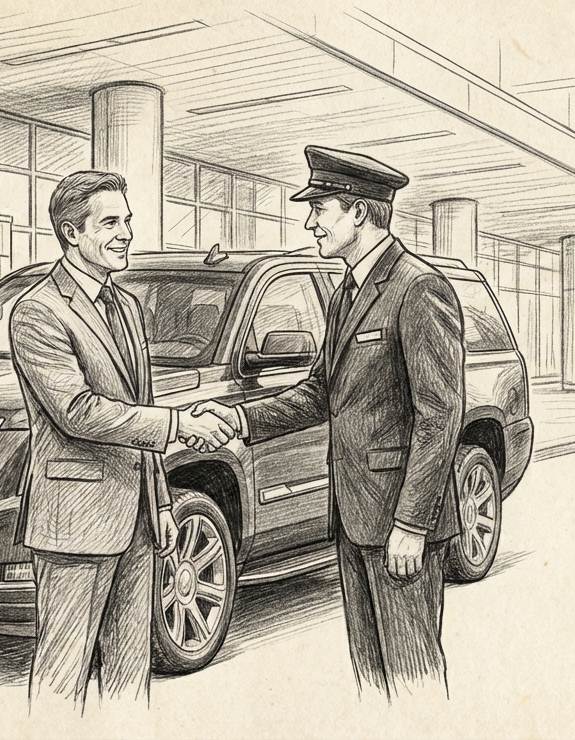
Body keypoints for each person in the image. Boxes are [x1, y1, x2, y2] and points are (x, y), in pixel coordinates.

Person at [193, 146, 465, 700]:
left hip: (398, 523)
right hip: (354, 515)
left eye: (321, 208)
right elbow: (321, 394)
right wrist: (236, 418)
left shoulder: (418, 288)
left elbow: (440, 416)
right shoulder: (345, 292)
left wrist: (411, 524)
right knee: (371, 674)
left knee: (413, 676)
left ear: (359, 213)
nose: (310, 221)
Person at [9, 170, 235, 713]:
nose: (126, 233)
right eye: (111, 222)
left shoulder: (128, 307)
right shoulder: (37, 311)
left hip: (137, 518)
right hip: (76, 521)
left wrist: (159, 503)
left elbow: (133, 408)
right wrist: (179, 425)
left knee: (130, 674)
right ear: (71, 233)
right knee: (63, 673)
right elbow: (77, 412)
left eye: (127, 221)